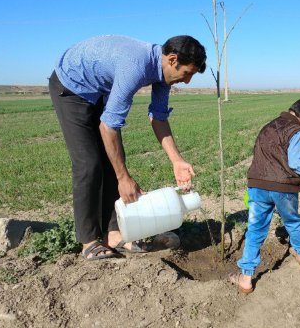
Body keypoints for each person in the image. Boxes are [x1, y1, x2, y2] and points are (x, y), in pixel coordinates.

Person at [49, 35, 207, 261]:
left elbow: (159, 118)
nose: (188, 80)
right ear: (172, 60)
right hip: (72, 86)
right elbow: (108, 127)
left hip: (99, 90)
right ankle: (89, 240)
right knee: (89, 164)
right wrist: (124, 178)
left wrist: (177, 161)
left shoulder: (163, 74)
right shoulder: (136, 66)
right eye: (187, 73)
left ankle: (114, 234)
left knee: (114, 160)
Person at [229, 98, 300, 293]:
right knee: (293, 222)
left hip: (258, 185)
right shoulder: (296, 132)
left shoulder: (268, 127)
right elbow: (296, 163)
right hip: (284, 190)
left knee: (255, 229)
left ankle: (246, 278)